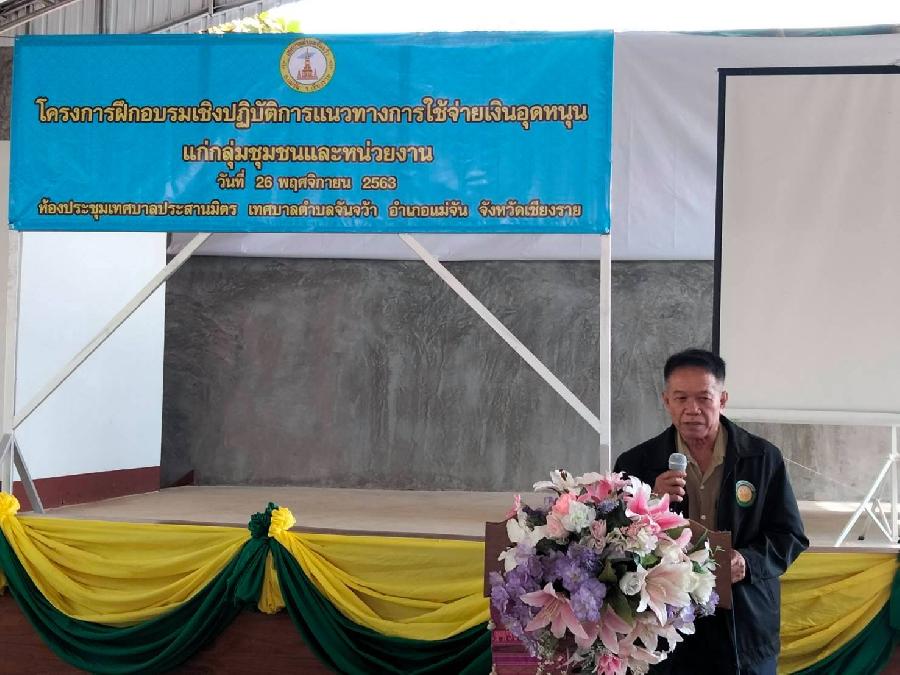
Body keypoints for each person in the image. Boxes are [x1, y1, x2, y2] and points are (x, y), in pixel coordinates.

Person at [614, 348, 808, 675]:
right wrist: (649, 502)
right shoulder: (637, 463)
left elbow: (789, 536)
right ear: (666, 401)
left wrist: (747, 562)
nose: (692, 409)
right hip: (665, 625)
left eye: (704, 398)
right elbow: (615, 543)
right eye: (681, 398)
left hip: (742, 624)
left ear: (723, 399)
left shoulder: (762, 458)